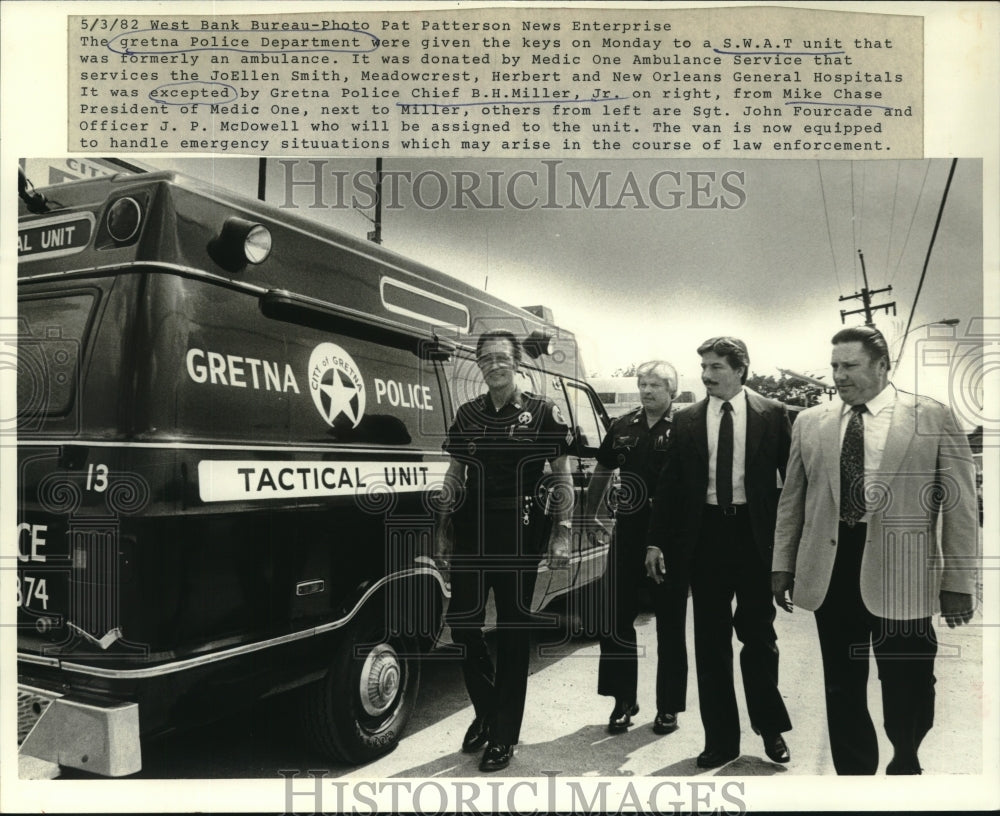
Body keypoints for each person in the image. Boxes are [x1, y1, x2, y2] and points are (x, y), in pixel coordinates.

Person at [772, 325, 977, 775]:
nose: (839, 376)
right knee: (842, 688)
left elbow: (961, 506)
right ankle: (855, 782)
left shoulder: (931, 417)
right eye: (834, 367)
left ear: (883, 366)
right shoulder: (811, 422)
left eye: (850, 366)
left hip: (905, 571)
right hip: (831, 567)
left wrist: (958, 582)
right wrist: (782, 564)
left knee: (909, 686)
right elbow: (793, 501)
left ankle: (906, 758)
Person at [646, 336, 793, 769]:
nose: (707, 375)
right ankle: (721, 741)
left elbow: (792, 484)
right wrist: (656, 540)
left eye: (716, 367)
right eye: (704, 367)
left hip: (753, 539)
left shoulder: (772, 413)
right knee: (710, 644)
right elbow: (669, 485)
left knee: (759, 638)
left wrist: (789, 551)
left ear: (740, 369)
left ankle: (770, 728)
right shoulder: (688, 419)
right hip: (705, 538)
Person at [434, 328, 574, 773]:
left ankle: (503, 735)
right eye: (486, 359)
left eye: (502, 358)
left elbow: (561, 475)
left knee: (514, 632)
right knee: (463, 628)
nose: (495, 365)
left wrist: (562, 532)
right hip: (471, 531)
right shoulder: (468, 413)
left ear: (517, 363)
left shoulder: (541, 412)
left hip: (521, 530)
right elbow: (455, 473)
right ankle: (486, 710)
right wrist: (442, 529)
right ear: (479, 365)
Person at [585, 361, 689, 735]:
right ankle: (622, 700)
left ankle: (669, 707)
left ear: (672, 391)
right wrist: (590, 515)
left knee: (670, 627)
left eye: (657, 385)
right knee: (615, 620)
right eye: (643, 384)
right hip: (628, 532)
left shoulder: (685, 427)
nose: (647, 391)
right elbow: (602, 469)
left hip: (671, 538)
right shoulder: (623, 426)